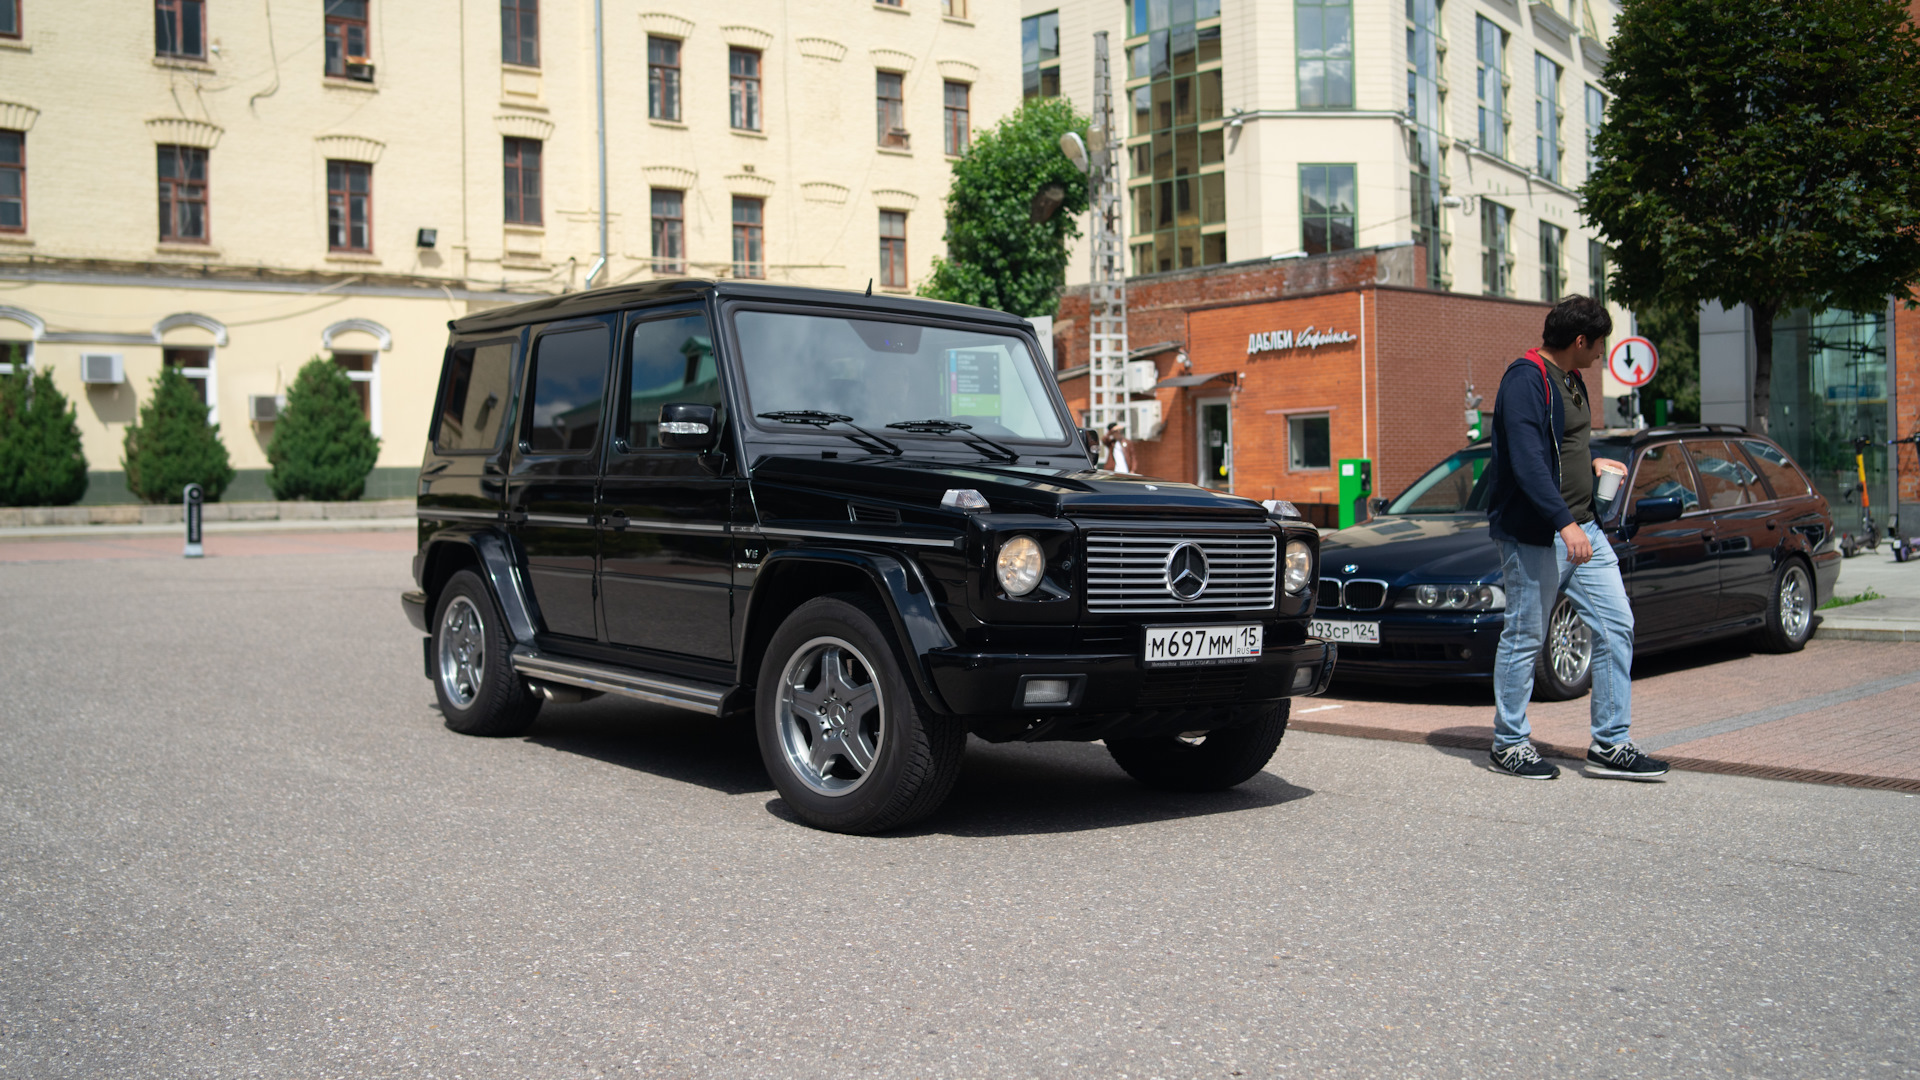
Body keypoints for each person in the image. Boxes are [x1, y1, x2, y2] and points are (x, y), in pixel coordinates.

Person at [1484, 295, 1668, 781]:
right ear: (1580, 340)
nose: (1603, 353)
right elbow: (1525, 461)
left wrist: (1591, 465)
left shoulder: (1573, 378)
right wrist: (1563, 523)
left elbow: (1558, 448)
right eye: (1599, 343)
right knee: (1525, 637)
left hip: (1584, 527)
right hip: (1539, 535)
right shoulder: (1525, 380)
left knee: (1616, 626)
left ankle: (1610, 744)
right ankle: (1509, 744)